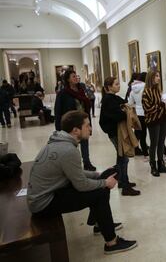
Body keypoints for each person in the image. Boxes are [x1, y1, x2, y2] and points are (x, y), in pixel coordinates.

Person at [27, 110, 137, 254]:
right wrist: (105, 183)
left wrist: (97, 175)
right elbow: (81, 185)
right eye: (87, 126)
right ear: (75, 130)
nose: (90, 129)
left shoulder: (59, 141)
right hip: (43, 204)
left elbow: (73, 172)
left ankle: (100, 223)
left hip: (45, 195)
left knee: (101, 180)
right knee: (100, 193)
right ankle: (111, 242)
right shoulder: (68, 150)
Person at [99, 77, 141, 196]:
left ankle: (123, 181)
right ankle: (125, 186)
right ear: (109, 87)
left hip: (118, 132)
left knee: (122, 157)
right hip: (115, 132)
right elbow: (118, 115)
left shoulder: (114, 98)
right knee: (123, 158)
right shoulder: (108, 99)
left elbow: (123, 106)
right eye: (116, 84)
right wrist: (126, 111)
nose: (119, 86)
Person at [54, 70, 96, 171]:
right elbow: (58, 111)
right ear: (68, 79)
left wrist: (89, 124)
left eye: (76, 76)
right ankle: (73, 164)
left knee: (85, 142)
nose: (76, 78)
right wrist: (58, 127)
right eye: (73, 76)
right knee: (72, 145)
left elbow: (86, 106)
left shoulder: (81, 90)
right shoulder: (63, 93)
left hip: (83, 121)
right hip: (70, 124)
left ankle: (87, 162)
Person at [142, 71, 166, 177]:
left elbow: (162, 106)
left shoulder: (158, 90)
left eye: (159, 76)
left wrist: (165, 103)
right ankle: (153, 166)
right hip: (153, 121)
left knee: (161, 143)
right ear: (151, 78)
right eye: (156, 76)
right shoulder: (146, 92)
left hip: (162, 119)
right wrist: (160, 105)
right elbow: (147, 108)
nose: (159, 78)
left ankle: (161, 164)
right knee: (154, 143)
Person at [128, 72, 149, 160]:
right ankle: (163, 153)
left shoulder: (133, 89)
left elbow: (130, 103)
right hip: (147, 113)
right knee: (153, 134)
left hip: (139, 114)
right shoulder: (146, 88)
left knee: (142, 135)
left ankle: (145, 155)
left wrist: (137, 106)